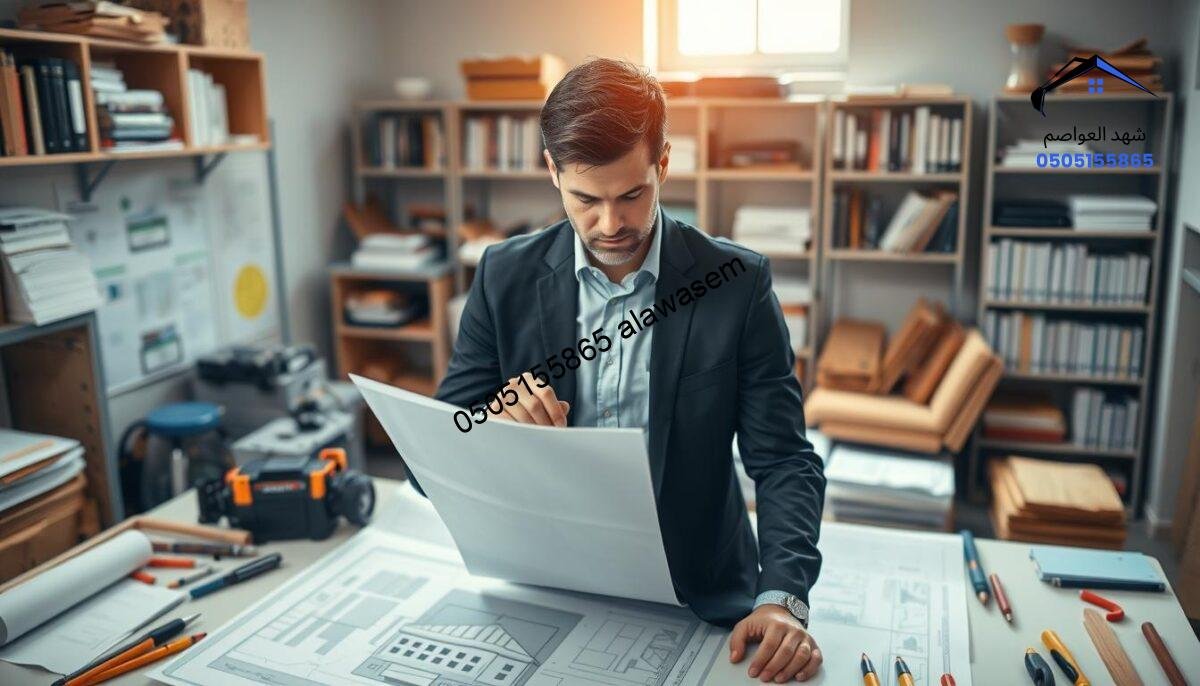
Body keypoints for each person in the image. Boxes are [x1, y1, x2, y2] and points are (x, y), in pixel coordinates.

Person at [429, 57, 826, 683]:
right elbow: (435, 454)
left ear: (662, 164)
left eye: (632, 195)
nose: (610, 225)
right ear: (552, 171)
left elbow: (783, 460)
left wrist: (784, 598)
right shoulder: (503, 276)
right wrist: (495, 433)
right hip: (546, 586)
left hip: (699, 593)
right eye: (585, 199)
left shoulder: (737, 284)